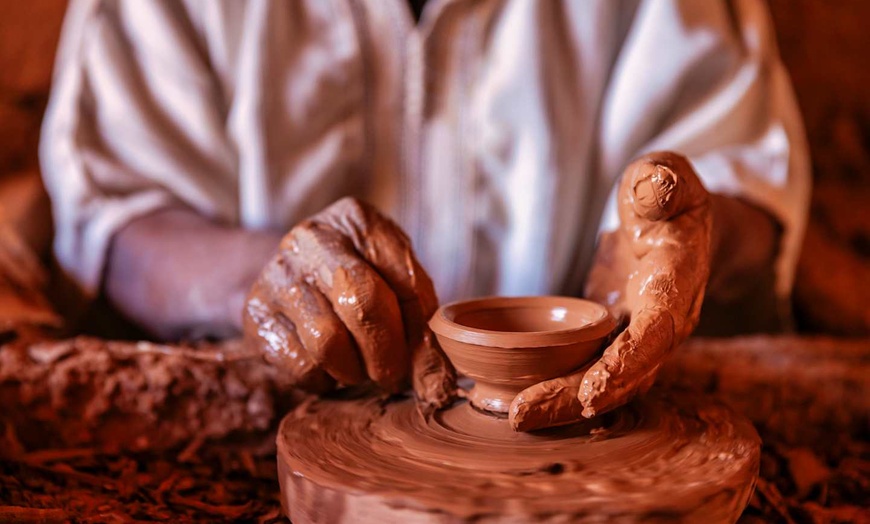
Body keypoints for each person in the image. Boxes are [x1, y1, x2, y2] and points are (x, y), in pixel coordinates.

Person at [40, 0, 810, 427]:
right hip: (295, 419)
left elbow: (744, 176)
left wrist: (682, 226)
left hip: (581, 417)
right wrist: (264, 277)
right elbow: (116, 216)